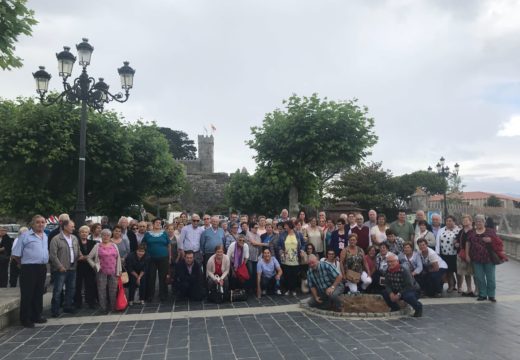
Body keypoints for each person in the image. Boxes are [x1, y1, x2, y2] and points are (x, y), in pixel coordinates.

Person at [11, 215, 49, 327]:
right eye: (38, 222)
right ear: (32, 224)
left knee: (39, 292)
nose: (41, 224)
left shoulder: (45, 236)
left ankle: (36, 315)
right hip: (29, 267)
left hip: (41, 267)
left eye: (43, 222)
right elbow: (16, 255)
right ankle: (25, 318)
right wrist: (22, 264)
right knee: (28, 293)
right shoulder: (25, 236)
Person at [466, 214, 505, 302]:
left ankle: (491, 295)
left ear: (484, 222)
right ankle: (482, 294)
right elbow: (467, 243)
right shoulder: (471, 232)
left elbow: (499, 242)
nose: (479, 223)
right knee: (479, 277)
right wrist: (467, 255)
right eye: (477, 221)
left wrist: (491, 240)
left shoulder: (490, 231)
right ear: (474, 222)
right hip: (476, 258)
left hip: (489, 258)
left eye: (481, 221)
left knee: (490, 278)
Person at [49, 219, 80, 317]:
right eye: (72, 226)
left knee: (71, 289)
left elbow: (78, 251)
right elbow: (53, 255)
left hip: (72, 268)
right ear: (65, 227)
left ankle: (68, 306)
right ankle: (55, 309)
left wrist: (81, 256)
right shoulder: (56, 239)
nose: (74, 228)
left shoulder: (74, 238)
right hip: (61, 269)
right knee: (58, 290)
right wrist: (59, 266)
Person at [87, 229, 122, 313]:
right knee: (101, 290)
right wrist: (94, 265)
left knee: (113, 290)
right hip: (101, 271)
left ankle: (113, 307)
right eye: (104, 235)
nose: (106, 237)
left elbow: (118, 258)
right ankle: (103, 308)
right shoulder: (97, 246)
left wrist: (119, 269)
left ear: (110, 236)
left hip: (113, 271)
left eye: (108, 235)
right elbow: (89, 257)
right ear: (101, 236)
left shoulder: (114, 245)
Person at [383, 252, 422, 317]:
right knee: (384, 293)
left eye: (392, 261)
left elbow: (409, 285)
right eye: (388, 262)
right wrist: (391, 293)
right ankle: (395, 307)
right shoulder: (388, 270)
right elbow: (387, 284)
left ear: (397, 261)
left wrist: (399, 294)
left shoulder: (404, 270)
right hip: (398, 289)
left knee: (407, 296)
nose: (389, 264)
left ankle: (418, 307)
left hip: (411, 289)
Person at [142, 218, 171, 302]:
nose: (158, 224)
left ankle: (163, 295)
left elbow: (169, 245)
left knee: (163, 277)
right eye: (156, 222)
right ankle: (150, 295)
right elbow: (143, 245)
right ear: (153, 224)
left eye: (159, 223)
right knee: (151, 277)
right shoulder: (147, 234)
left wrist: (169, 257)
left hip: (163, 258)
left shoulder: (164, 233)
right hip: (151, 259)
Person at [278, 221, 305, 296]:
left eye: (286, 226)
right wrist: (280, 250)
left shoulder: (298, 234)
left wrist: (302, 250)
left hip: (296, 258)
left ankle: (293, 290)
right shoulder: (282, 234)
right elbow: (279, 245)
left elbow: (303, 244)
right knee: (287, 274)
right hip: (285, 257)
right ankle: (287, 289)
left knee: (294, 274)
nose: (284, 227)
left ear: (290, 226)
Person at [74, 225, 97, 309]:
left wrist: (86, 257)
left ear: (88, 233)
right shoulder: (75, 242)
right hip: (78, 266)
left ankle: (90, 301)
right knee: (78, 285)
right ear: (79, 233)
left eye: (86, 232)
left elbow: (94, 255)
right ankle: (78, 302)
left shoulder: (93, 243)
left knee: (90, 284)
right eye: (82, 232)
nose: (84, 234)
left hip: (89, 267)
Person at [436, 215, 460, 293]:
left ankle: (459, 287)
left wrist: (457, 244)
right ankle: (451, 286)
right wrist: (438, 253)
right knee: (449, 271)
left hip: (456, 254)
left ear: (454, 221)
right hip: (445, 254)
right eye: (447, 221)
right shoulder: (441, 230)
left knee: (458, 272)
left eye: (450, 221)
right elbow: (437, 242)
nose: (448, 222)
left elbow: (462, 241)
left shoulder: (458, 230)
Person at [455, 215, 476, 296]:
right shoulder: (461, 231)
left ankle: (477, 289)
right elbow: (457, 240)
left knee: (474, 273)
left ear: (471, 221)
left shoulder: (474, 230)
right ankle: (469, 289)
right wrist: (456, 243)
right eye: (463, 220)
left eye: (467, 220)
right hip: (463, 254)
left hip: (473, 254)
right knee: (466, 273)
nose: (465, 222)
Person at [245, 222, 263, 292]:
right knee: (250, 272)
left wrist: (260, 253)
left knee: (256, 273)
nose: (256, 229)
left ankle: (254, 287)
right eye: (255, 228)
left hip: (257, 257)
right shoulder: (248, 233)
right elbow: (254, 243)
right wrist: (266, 244)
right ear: (251, 228)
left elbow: (259, 246)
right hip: (249, 257)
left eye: (257, 228)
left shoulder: (258, 235)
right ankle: (249, 288)